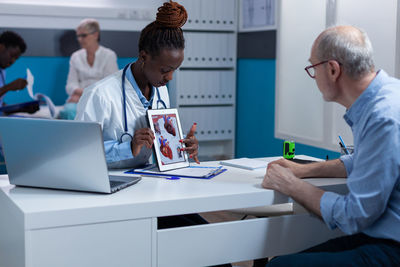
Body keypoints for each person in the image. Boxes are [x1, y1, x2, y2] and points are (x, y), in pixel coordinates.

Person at [263, 25, 400, 266]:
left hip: (391, 248)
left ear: (333, 69)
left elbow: (354, 215)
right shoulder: (388, 96)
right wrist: (303, 170)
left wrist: (291, 185)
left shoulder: (382, 117)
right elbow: (364, 160)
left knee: (279, 265)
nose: (314, 77)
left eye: (313, 68)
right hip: (381, 235)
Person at [75, 0, 216, 235]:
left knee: (205, 234)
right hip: (110, 194)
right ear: (143, 56)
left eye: (174, 70)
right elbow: (79, 157)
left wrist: (180, 144)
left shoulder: (160, 89)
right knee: (191, 237)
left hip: (149, 187)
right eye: (164, 70)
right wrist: (127, 147)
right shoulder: (99, 95)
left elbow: (158, 142)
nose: (170, 77)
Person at [65, 18, 118, 103]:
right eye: (78, 36)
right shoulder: (75, 56)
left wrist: (86, 94)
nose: (79, 39)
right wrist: (81, 94)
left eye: (83, 35)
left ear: (95, 35)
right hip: (79, 99)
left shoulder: (109, 55)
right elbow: (70, 85)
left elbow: (110, 86)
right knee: (68, 111)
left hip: (102, 100)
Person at [0, 31, 38, 115]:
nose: (12, 61)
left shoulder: (2, 71)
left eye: (16, 59)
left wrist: (21, 109)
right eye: (11, 55)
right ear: (1, 47)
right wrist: (9, 87)